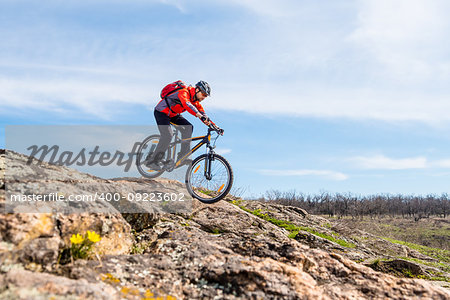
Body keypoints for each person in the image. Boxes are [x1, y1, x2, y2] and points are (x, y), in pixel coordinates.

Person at [145, 80, 211, 170]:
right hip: (161, 112)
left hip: (173, 115)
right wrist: (199, 115)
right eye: (203, 94)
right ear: (197, 90)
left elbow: (203, 114)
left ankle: (183, 157)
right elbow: (187, 105)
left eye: (206, 96)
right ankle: (153, 161)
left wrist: (214, 126)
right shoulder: (184, 92)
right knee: (168, 135)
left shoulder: (195, 101)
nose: (204, 97)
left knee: (189, 127)